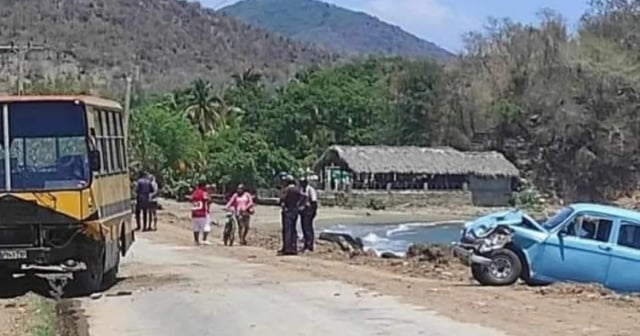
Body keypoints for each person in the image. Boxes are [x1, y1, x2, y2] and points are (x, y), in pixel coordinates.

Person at [278, 174, 302, 256]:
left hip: (287, 210)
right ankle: (293, 248)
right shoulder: (297, 189)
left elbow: (281, 199)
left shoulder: (287, 190)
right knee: (293, 229)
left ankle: (287, 248)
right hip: (295, 210)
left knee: (287, 229)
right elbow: (303, 198)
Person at [299, 177, 318, 252]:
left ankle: (310, 245)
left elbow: (314, 202)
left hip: (309, 210)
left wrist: (313, 212)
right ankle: (306, 244)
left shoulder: (311, 190)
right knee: (304, 227)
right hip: (303, 211)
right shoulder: (301, 189)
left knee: (308, 228)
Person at [190, 181, 212, 246]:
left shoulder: (194, 193)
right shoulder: (204, 193)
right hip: (203, 213)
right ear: (203, 186)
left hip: (194, 213)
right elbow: (208, 200)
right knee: (206, 227)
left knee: (195, 228)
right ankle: (204, 240)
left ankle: (196, 241)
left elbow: (191, 199)